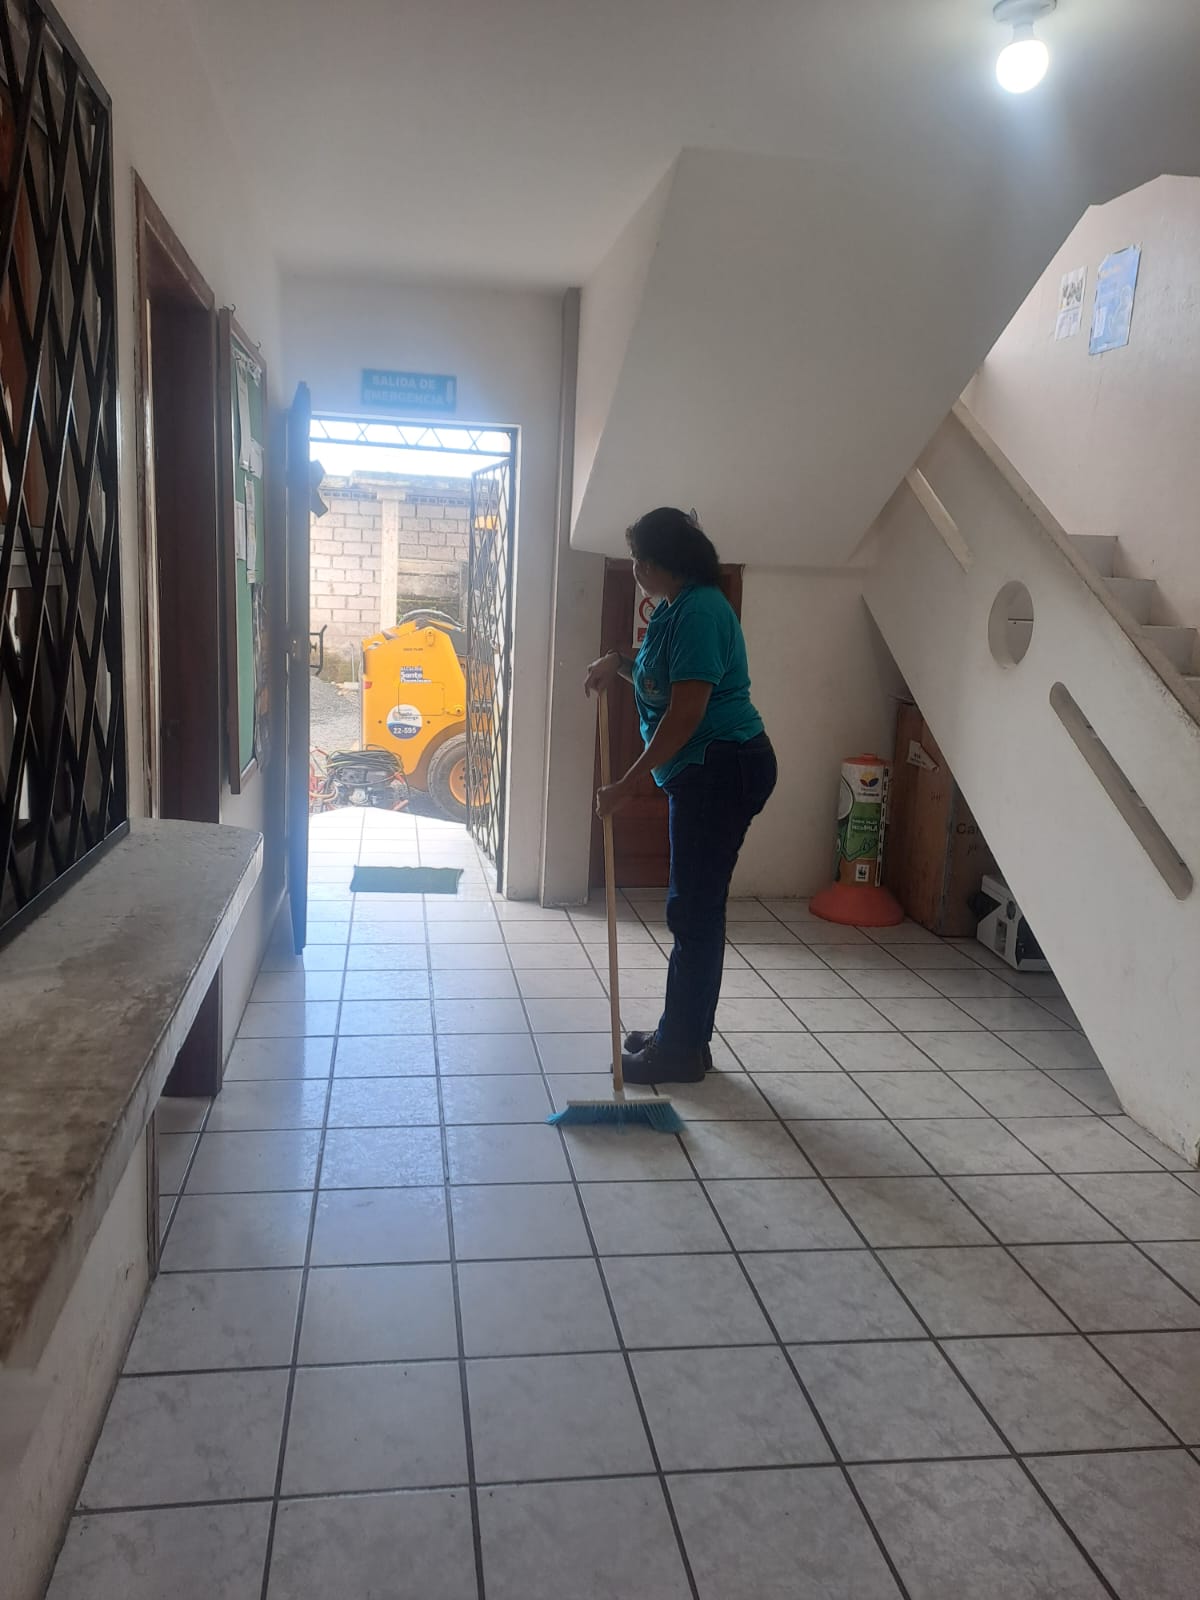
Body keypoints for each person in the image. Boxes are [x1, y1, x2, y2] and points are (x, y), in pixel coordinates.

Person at [583, 507, 777, 1084]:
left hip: (721, 767)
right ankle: (685, 1039)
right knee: (696, 910)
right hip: (708, 767)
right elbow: (658, 678)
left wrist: (627, 785)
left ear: (657, 562)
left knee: (693, 913)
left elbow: (685, 714)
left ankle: (680, 1050)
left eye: (638, 558)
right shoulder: (676, 607)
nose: (635, 568)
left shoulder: (700, 612)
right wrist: (617, 661)